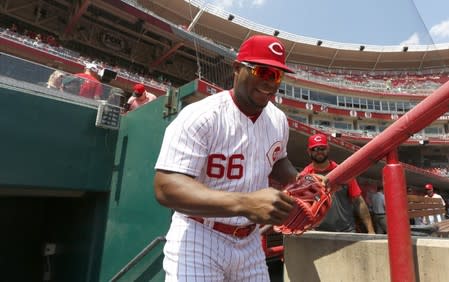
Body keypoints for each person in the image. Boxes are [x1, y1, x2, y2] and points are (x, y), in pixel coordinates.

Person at [154, 35, 311, 281]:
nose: (270, 82)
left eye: (277, 75)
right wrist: (245, 203)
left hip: (249, 242)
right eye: (262, 71)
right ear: (237, 69)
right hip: (199, 236)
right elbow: (166, 187)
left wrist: (300, 181)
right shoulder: (202, 115)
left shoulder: (278, 120)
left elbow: (278, 160)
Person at [299, 133, 375, 234]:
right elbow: (301, 206)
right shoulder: (305, 175)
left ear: (328, 148)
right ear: (309, 152)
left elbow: (358, 201)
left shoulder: (343, 171)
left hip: (346, 231)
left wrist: (371, 231)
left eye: (322, 148)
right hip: (318, 233)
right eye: (315, 149)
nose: (319, 152)